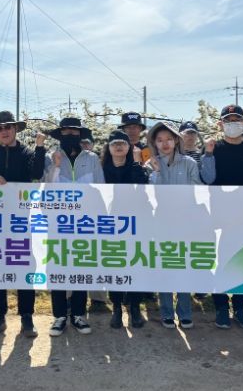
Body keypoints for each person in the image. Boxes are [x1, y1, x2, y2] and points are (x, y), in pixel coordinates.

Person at [0, 111, 46, 338]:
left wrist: (39, 148)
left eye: (8, 127)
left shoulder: (27, 153)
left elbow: (37, 173)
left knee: (25, 264)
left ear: (15, 129)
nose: (4, 131)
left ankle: (27, 315)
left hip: (22, 221)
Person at [44, 117, 105, 336]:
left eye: (74, 132)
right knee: (57, 267)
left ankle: (79, 314)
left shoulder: (92, 158)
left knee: (81, 266)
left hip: (84, 224)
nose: (70, 135)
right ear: (60, 134)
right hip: (57, 224)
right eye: (66, 132)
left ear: (80, 135)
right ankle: (59, 316)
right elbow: (45, 188)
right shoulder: (50, 157)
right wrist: (55, 166)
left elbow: (101, 188)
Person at [208, 105, 243, 329]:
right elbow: (207, 178)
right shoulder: (214, 148)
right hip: (218, 214)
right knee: (219, 261)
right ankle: (221, 306)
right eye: (228, 120)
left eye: (237, 120)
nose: (232, 124)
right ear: (220, 124)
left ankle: (240, 307)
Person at [147, 122, 200, 329]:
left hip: (185, 223)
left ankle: (185, 313)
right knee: (165, 267)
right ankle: (167, 313)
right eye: (160, 140)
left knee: (183, 266)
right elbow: (152, 195)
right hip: (160, 224)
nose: (165, 143)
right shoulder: (150, 164)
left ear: (176, 140)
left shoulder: (189, 163)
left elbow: (198, 191)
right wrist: (157, 172)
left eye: (169, 139)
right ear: (154, 143)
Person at [100, 130, 149, 329]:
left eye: (123, 143)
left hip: (135, 224)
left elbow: (142, 186)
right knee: (115, 264)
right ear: (109, 148)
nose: (119, 146)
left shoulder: (135, 167)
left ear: (130, 147)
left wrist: (137, 163)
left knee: (135, 264)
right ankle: (117, 307)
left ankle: (135, 307)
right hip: (109, 225)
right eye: (114, 143)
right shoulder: (102, 169)